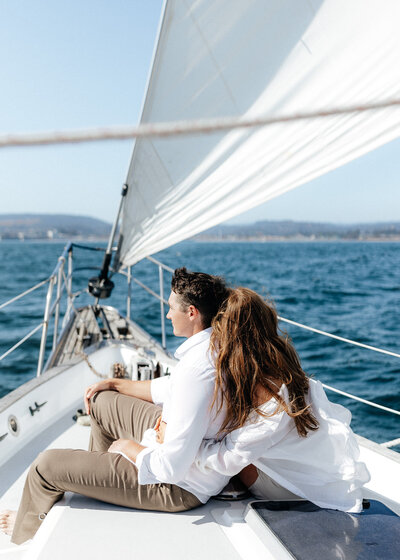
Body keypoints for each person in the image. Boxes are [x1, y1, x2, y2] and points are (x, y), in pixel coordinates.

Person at [1, 267, 231, 545]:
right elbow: (168, 388)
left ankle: (27, 530)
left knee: (44, 467)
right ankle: (96, 482)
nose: (168, 314)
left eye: (171, 308)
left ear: (192, 312)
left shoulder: (197, 372)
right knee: (102, 402)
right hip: (170, 454)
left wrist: (127, 447)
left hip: (176, 486)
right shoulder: (210, 349)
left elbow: (172, 467)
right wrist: (114, 384)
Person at [195, 287, 370, 512]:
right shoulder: (279, 359)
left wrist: (190, 449)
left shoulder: (267, 392)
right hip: (307, 473)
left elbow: (231, 459)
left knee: (238, 462)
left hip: (290, 489)